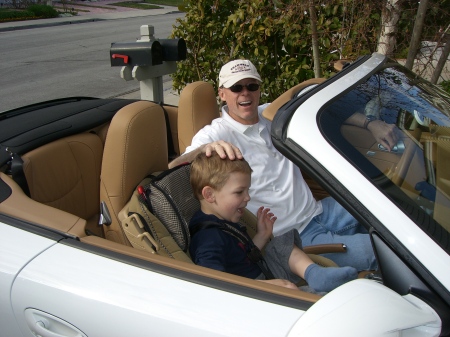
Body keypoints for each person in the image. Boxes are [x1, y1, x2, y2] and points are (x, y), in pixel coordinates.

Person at [170, 59, 399, 271]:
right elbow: (174, 168)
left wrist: (371, 123)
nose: (245, 93)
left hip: (320, 211)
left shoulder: (271, 114)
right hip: (295, 239)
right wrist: (205, 150)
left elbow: (320, 109)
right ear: (222, 94)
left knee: (392, 208)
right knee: (389, 253)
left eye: (252, 85)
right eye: (236, 88)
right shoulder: (215, 133)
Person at [189, 152, 358, 293]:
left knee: (282, 242)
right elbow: (215, 284)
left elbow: (243, 256)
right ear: (210, 195)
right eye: (239, 192)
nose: (247, 198)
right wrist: (266, 286)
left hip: (261, 271)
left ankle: (316, 275)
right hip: (249, 291)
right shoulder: (207, 239)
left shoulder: (224, 218)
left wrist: (262, 235)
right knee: (292, 289)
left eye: (248, 191)